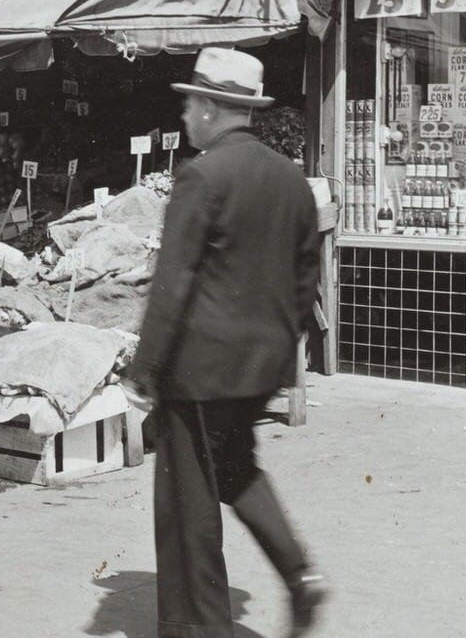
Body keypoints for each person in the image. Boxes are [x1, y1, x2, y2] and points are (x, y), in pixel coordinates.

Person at [123, 47, 326, 638]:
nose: (185, 114)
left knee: (188, 507)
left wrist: (143, 369)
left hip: (199, 371)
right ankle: (301, 575)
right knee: (237, 469)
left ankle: (199, 629)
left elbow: (173, 283)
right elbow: (304, 278)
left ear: (213, 108)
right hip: (259, 366)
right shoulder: (290, 178)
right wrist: (278, 348)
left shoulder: (202, 175)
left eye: (190, 102)